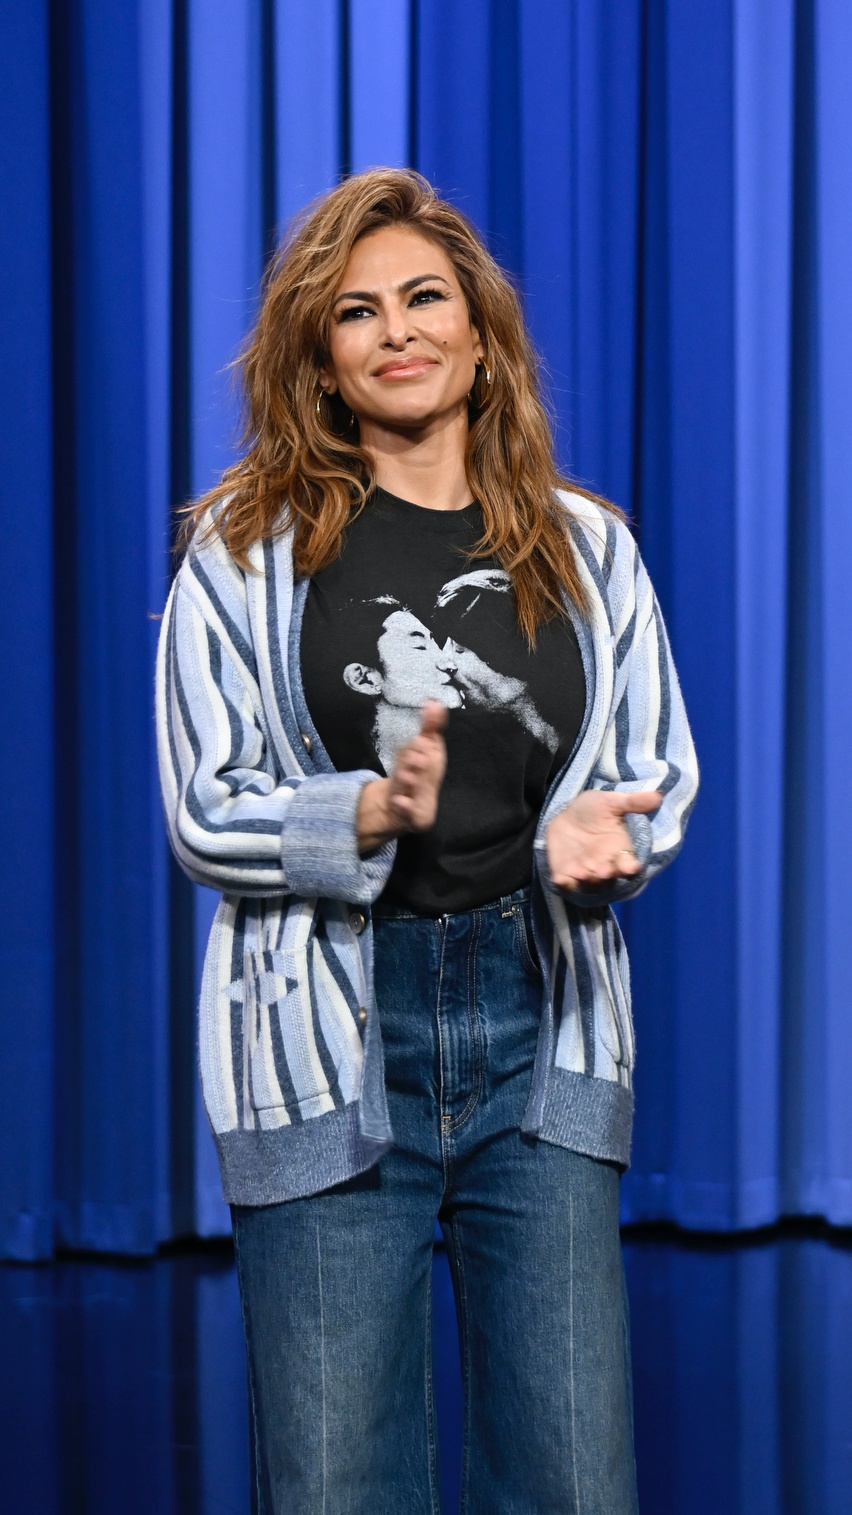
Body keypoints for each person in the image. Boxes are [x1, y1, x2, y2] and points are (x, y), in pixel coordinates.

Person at [156, 168, 698, 1514]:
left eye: (424, 298)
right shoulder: (242, 552)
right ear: (322, 361)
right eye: (357, 312)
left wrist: (607, 842)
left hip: (540, 1027)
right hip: (328, 1039)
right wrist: (359, 812)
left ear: (481, 335)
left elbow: (652, 772)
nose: (397, 330)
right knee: (338, 1488)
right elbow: (203, 805)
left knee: (574, 1482)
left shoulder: (589, 550)